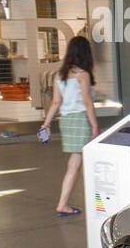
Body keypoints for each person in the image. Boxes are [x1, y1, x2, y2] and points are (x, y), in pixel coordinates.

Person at [40, 35, 100, 216]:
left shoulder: (60, 76)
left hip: (66, 121)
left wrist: (46, 124)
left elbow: (55, 103)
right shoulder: (83, 75)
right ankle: (67, 203)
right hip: (81, 119)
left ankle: (71, 202)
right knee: (77, 164)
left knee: (76, 162)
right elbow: (88, 103)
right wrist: (95, 126)